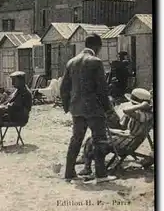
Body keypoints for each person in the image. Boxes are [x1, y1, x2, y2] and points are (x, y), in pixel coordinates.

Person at [60, 33, 117, 184]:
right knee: (100, 140)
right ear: (97, 46)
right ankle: (101, 174)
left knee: (76, 139)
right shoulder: (96, 62)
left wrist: (68, 106)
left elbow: (63, 88)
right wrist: (108, 109)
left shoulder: (71, 62)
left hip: (76, 108)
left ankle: (69, 172)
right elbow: (102, 90)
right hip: (94, 109)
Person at [79, 88, 154, 175]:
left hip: (128, 143)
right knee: (96, 135)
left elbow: (126, 111)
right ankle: (87, 163)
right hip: (128, 139)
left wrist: (141, 105)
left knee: (96, 140)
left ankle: (89, 166)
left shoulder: (145, 115)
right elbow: (124, 126)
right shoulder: (141, 113)